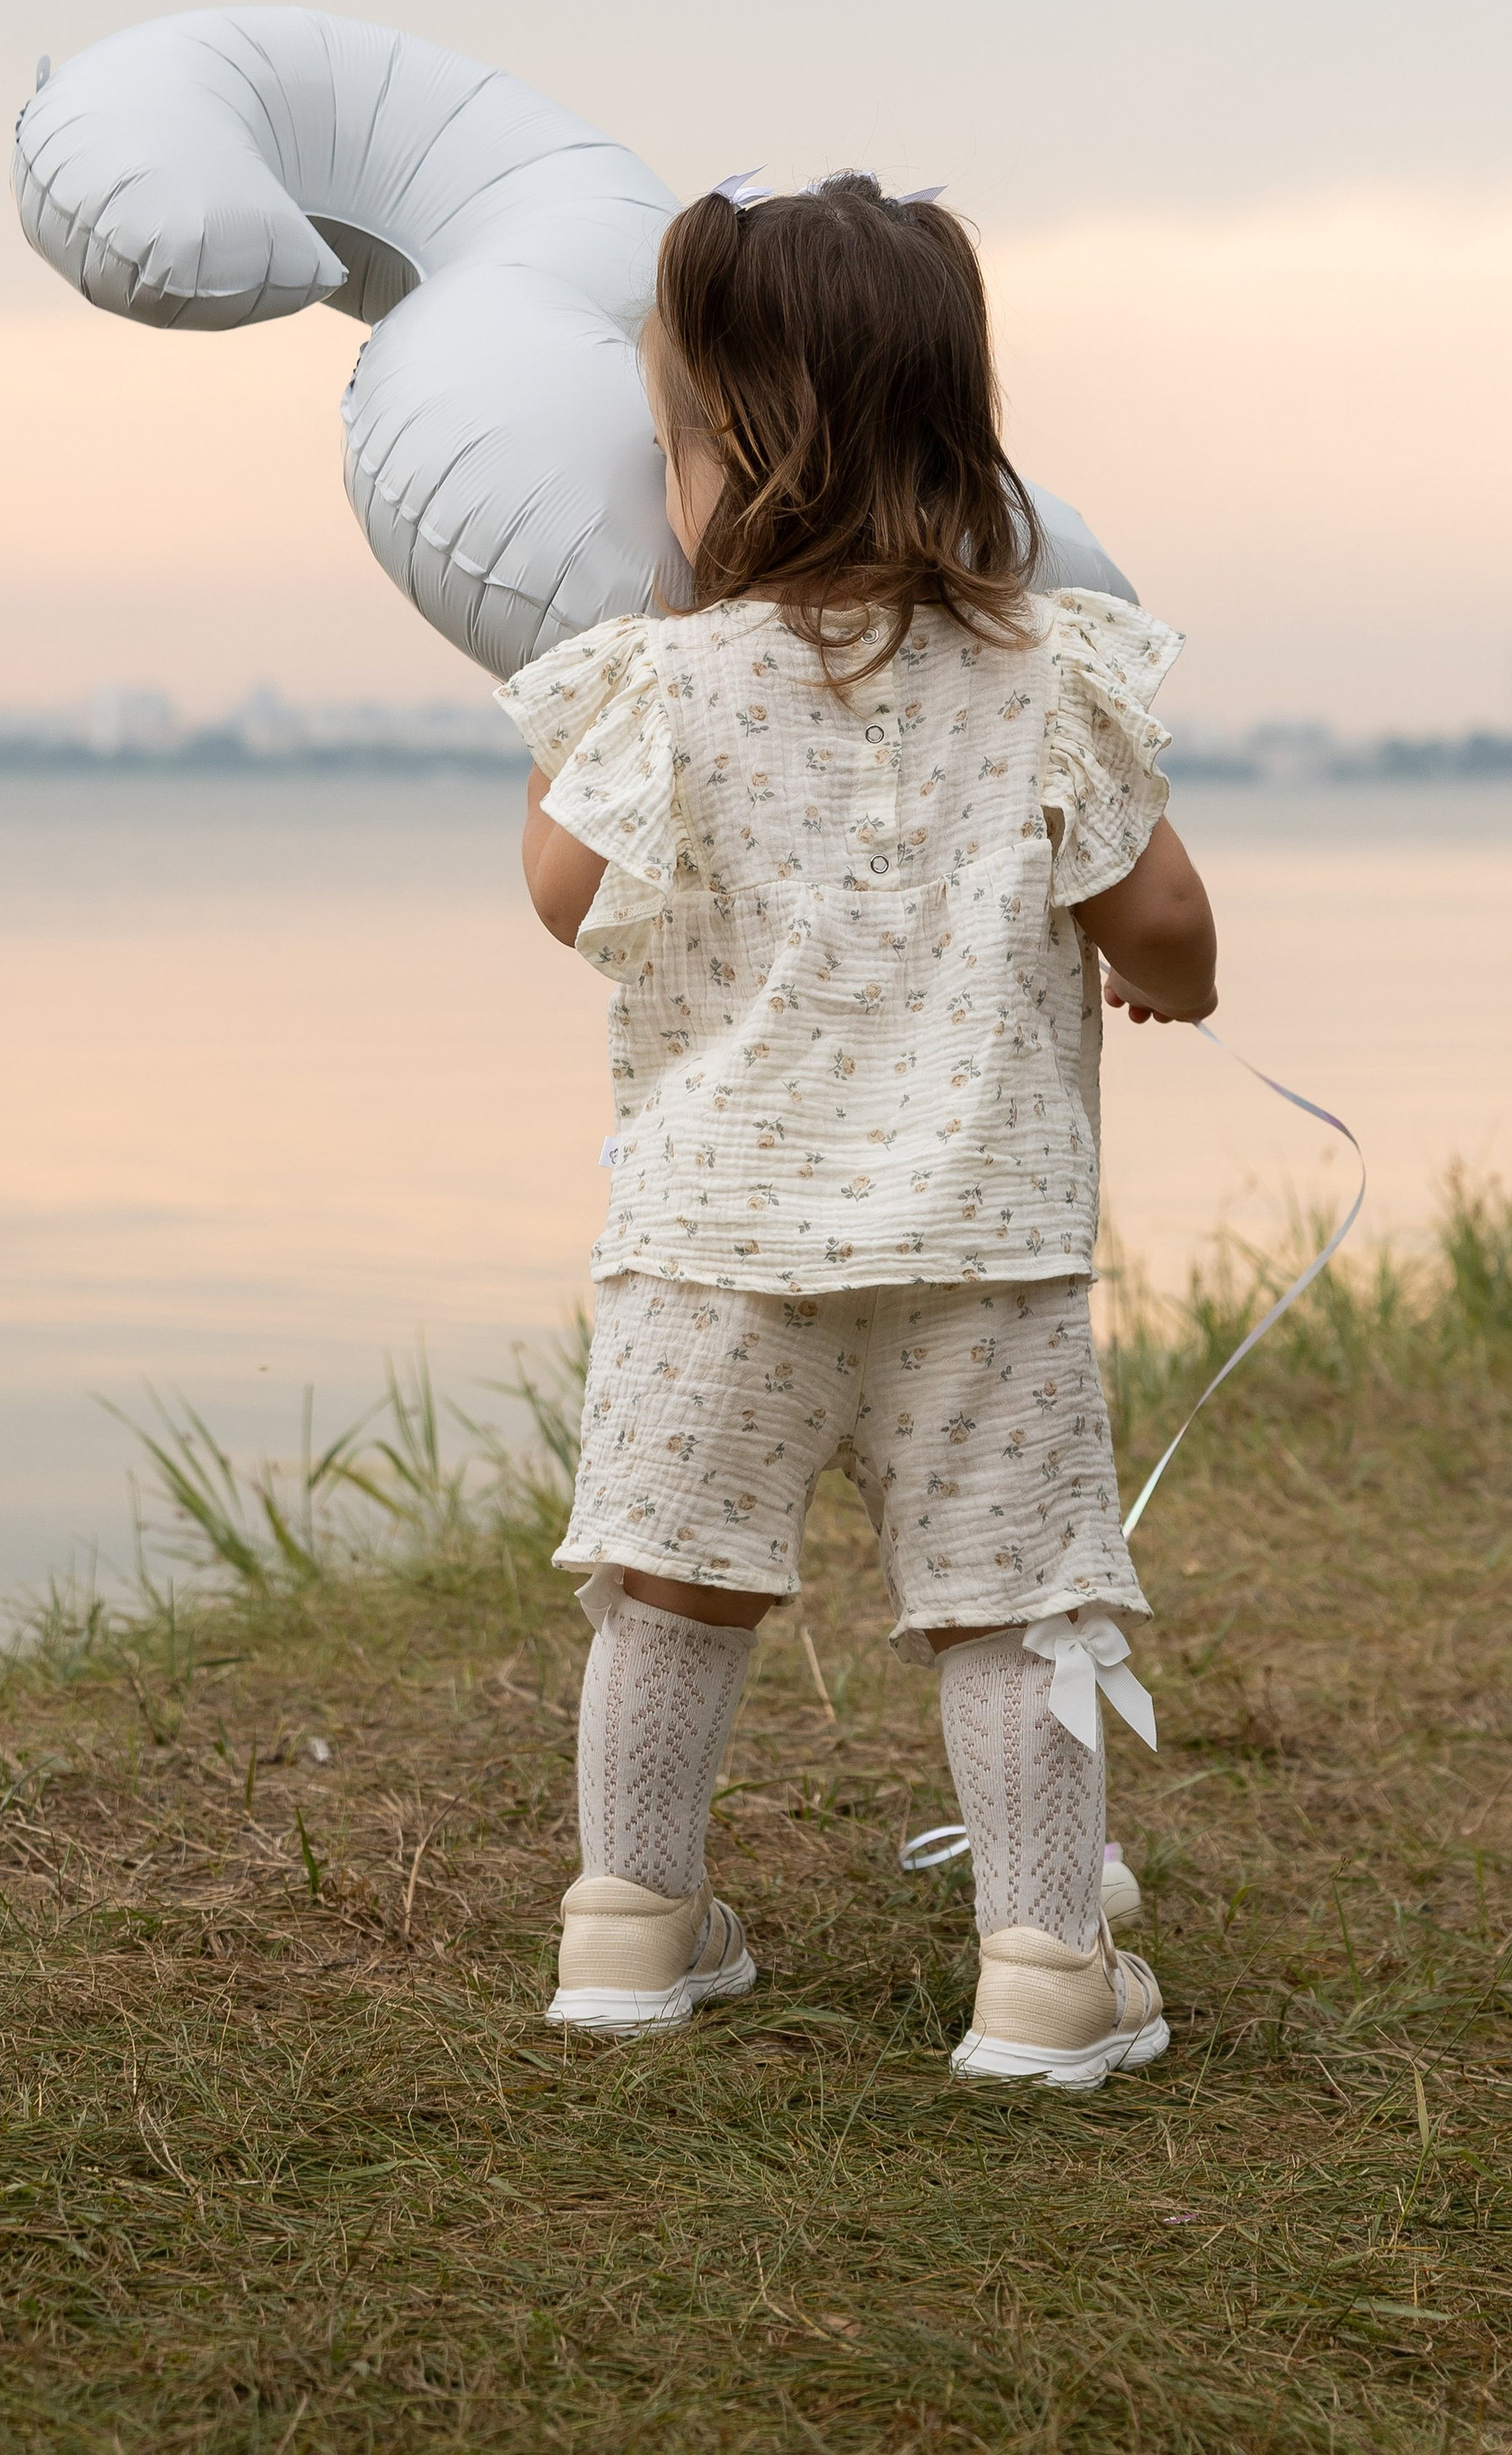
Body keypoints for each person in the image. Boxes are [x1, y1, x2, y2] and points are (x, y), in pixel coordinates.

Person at [496, 173, 1218, 2087]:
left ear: (728, 454)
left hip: (713, 1240)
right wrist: (1148, 971)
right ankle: (1047, 1969)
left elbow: (562, 890)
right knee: (1011, 1611)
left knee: (671, 1579)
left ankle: (631, 1923)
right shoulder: (1047, 670)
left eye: (666, 444)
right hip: (978, 1249)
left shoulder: (662, 680)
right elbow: (1167, 927)